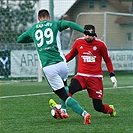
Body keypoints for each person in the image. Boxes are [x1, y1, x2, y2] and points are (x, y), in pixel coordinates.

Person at [17, 9, 91, 124]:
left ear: (38, 18)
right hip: (62, 64)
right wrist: (84, 31)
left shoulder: (33, 29)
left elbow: (19, 39)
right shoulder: (55, 24)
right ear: (49, 16)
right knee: (64, 86)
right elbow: (70, 24)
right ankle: (64, 110)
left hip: (49, 67)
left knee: (64, 95)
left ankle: (84, 114)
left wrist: (34, 38)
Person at [50, 24, 117, 119]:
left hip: (95, 78)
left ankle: (111, 110)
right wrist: (59, 63)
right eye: (85, 34)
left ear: (94, 33)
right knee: (68, 91)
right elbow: (71, 55)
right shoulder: (78, 42)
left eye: (89, 34)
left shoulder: (100, 45)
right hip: (81, 76)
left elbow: (107, 60)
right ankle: (62, 109)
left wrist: (112, 75)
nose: (87, 36)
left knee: (98, 107)